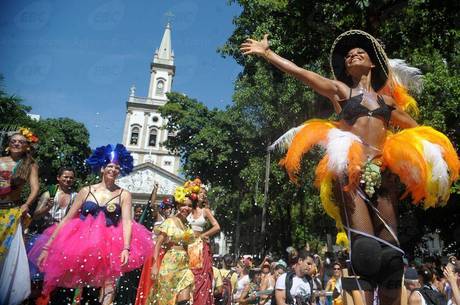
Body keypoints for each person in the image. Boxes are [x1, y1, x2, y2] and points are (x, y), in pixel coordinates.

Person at [241, 30, 459, 305]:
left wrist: (429, 152)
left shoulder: (387, 102)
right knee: (366, 253)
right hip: (352, 177)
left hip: (383, 176)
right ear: (346, 68)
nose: (353, 54)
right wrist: (268, 53)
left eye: (361, 52)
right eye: (348, 55)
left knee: (391, 259)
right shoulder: (341, 91)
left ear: (371, 64)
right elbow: (303, 74)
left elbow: (418, 129)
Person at [29, 144, 153, 305]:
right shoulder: (86, 190)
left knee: (92, 293)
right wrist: (47, 247)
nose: (113, 169)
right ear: (102, 168)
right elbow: (67, 219)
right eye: (109, 166)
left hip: (103, 248)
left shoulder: (124, 194)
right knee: (64, 289)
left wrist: (126, 248)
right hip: (76, 244)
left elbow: (127, 222)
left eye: (116, 167)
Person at [0, 128, 39, 305]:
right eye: (14, 141)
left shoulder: (29, 165)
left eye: (21, 142)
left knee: (6, 255)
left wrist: (26, 204)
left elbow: (35, 188)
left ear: (26, 147)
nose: (17, 143)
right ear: (8, 145)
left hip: (11, 213)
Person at [147, 188, 196, 305]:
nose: (186, 208)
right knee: (166, 299)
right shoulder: (170, 221)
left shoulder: (187, 224)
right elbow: (158, 243)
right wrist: (154, 265)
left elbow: (187, 245)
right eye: (183, 205)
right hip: (170, 264)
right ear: (178, 205)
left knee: (184, 299)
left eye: (189, 206)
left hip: (184, 265)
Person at [186, 179, 221, 305]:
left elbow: (217, 226)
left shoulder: (205, 211)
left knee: (199, 276)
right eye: (201, 192)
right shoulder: (187, 209)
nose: (203, 195)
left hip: (199, 247)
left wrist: (203, 235)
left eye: (204, 194)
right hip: (187, 246)